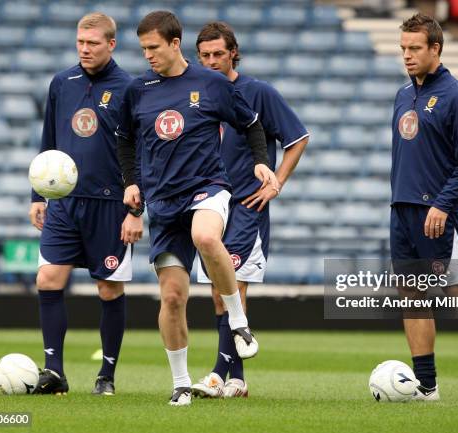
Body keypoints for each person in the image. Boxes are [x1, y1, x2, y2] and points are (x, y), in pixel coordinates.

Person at [115, 11, 278, 406]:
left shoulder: (211, 83)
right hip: (164, 203)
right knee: (172, 298)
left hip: (208, 188)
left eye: (154, 47)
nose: (148, 55)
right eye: (143, 49)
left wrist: (260, 161)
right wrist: (132, 183)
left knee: (205, 235)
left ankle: (238, 320)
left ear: (174, 43)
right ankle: (181, 383)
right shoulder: (138, 90)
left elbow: (252, 123)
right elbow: (124, 141)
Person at [191, 22, 309, 399]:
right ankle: (237, 379)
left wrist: (277, 182)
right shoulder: (194, 94)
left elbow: (297, 138)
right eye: (205, 55)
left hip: (246, 204)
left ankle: (216, 374)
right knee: (217, 291)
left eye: (218, 54)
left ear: (233, 53)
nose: (211, 61)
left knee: (235, 287)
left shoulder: (257, 92)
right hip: (209, 205)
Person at [28, 13, 141, 396]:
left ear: (111, 44)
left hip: (110, 207)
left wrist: (135, 209)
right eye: (80, 42)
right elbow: (48, 139)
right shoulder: (62, 83)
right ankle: (54, 372)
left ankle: (106, 376)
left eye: (92, 43)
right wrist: (37, 195)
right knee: (48, 279)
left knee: (108, 289)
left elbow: (140, 152)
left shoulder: (130, 88)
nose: (84, 49)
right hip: (63, 203)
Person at [391, 13, 458, 404]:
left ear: (435, 48)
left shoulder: (456, 96)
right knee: (412, 297)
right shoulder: (404, 94)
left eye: (415, 48)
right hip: (402, 211)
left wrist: (442, 203)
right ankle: (427, 386)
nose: (407, 55)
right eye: (403, 48)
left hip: (438, 216)